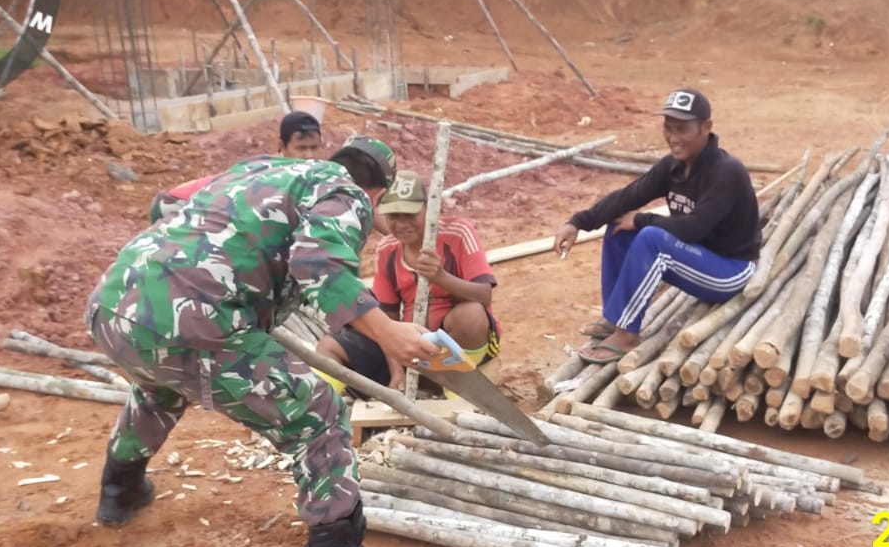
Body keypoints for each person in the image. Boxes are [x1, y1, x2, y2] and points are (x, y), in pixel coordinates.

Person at [84, 135, 440, 547]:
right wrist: (388, 333)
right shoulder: (347, 193)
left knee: (161, 386)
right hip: (196, 323)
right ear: (379, 193)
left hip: (115, 304)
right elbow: (320, 266)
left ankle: (120, 489)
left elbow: (165, 202)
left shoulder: (258, 170)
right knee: (318, 413)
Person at [551, 89, 760, 363]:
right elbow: (628, 196)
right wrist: (578, 222)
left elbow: (694, 228)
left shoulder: (726, 171)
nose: (673, 138)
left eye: (683, 129)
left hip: (729, 272)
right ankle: (615, 317)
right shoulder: (673, 166)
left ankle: (627, 335)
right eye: (668, 128)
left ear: (706, 128)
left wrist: (641, 219)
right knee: (619, 229)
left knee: (649, 235)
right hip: (696, 257)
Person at [315, 170, 502, 394]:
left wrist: (441, 277)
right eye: (394, 216)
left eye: (409, 215)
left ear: (429, 210)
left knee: (470, 315)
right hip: (410, 348)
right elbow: (388, 320)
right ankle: (322, 410)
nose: (402, 224)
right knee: (330, 347)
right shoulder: (387, 250)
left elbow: (484, 296)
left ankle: (457, 390)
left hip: (456, 345)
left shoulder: (459, 234)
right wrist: (397, 372)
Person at [147, 109, 326, 222]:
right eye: (301, 148)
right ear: (281, 146)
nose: (308, 156)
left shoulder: (304, 174)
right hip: (178, 204)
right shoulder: (272, 174)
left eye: (314, 148)